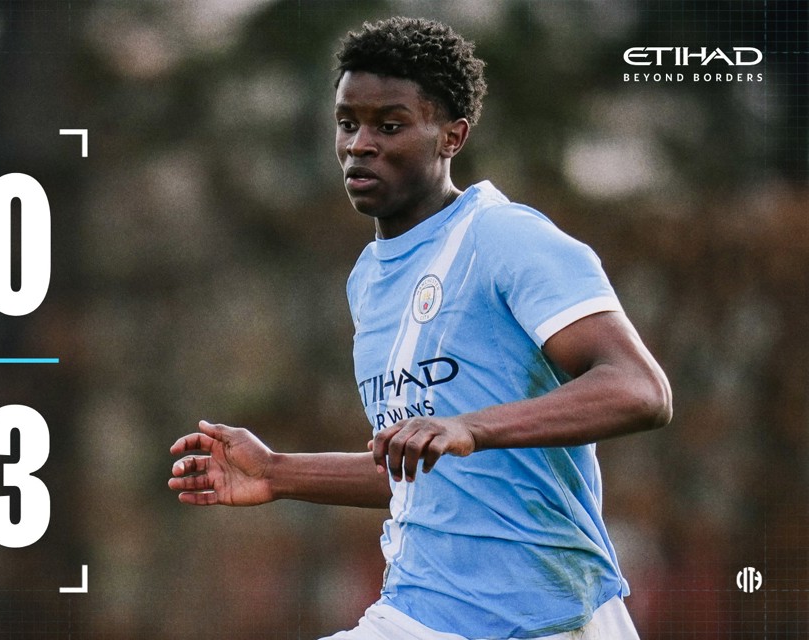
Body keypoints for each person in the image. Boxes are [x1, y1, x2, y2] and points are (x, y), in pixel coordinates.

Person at [169, 16, 671, 640]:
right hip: (424, 613)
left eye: (390, 125)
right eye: (348, 122)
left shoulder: (505, 237)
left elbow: (640, 390)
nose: (359, 144)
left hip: (547, 617)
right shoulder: (369, 281)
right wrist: (275, 472)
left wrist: (469, 427)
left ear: (451, 136)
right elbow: (421, 471)